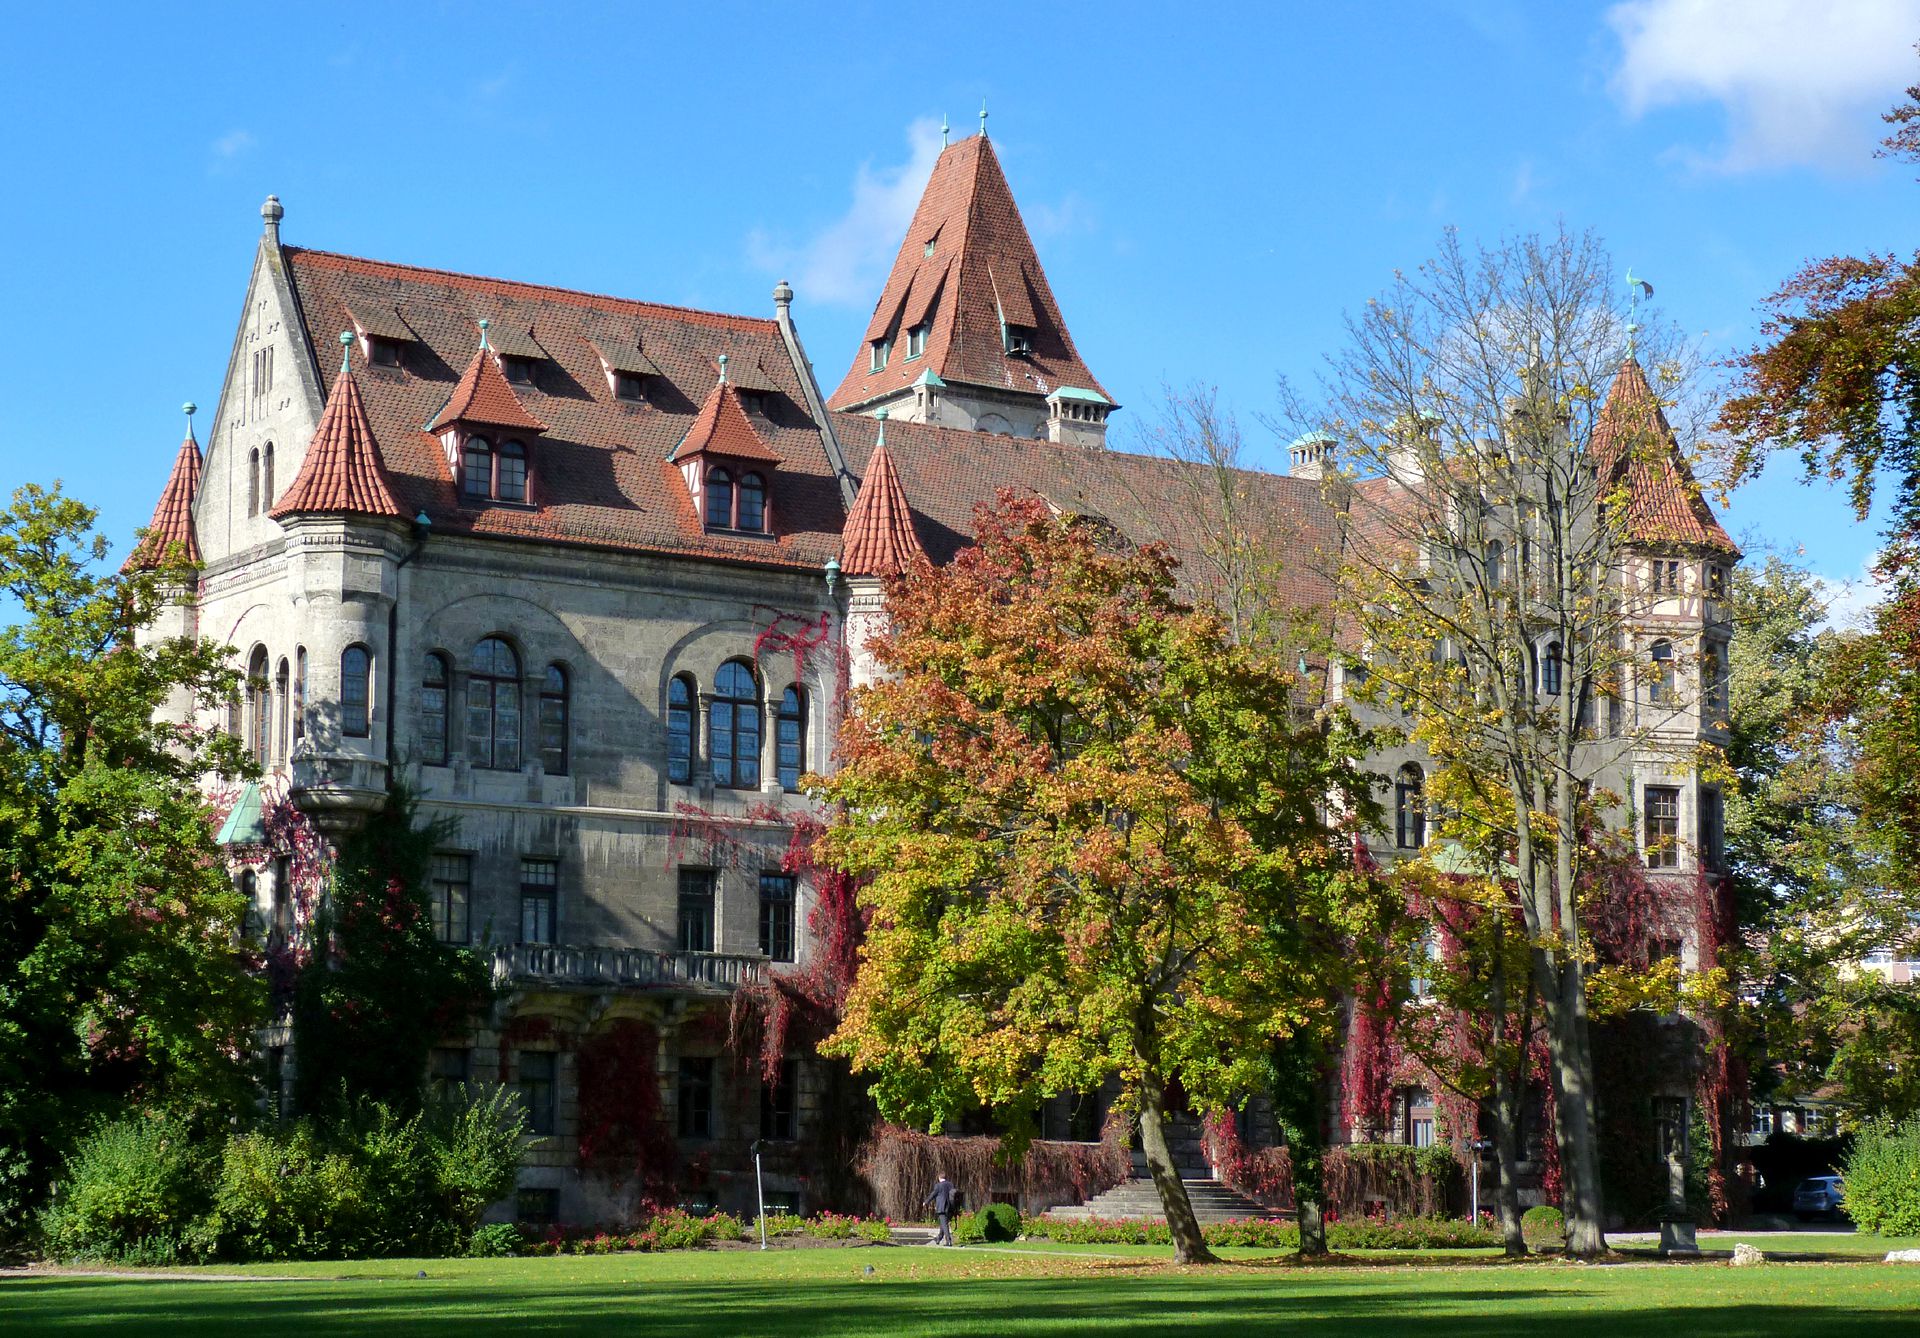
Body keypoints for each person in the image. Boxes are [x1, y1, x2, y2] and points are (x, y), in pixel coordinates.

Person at [923, 1173, 959, 1246]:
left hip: (942, 1208)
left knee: (944, 1224)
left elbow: (933, 1195)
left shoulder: (938, 1185)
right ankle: (939, 1238)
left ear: (939, 1178)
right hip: (950, 1208)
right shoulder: (950, 1184)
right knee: (943, 1224)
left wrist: (926, 1202)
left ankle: (948, 1241)